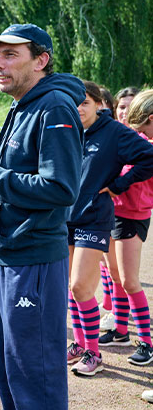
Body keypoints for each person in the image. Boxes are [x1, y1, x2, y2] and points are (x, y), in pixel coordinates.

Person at [0, 23, 82, 409]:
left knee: (34, 375)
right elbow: (17, 180)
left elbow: (60, 189)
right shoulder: (24, 104)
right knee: (11, 371)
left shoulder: (54, 107)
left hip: (33, 259)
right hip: (8, 256)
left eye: (10, 54)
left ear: (41, 60)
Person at [64, 80, 153, 377]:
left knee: (82, 285)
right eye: (74, 103)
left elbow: (148, 158)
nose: (78, 109)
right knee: (71, 290)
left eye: (84, 103)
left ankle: (95, 353)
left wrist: (118, 185)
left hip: (96, 217)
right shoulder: (68, 130)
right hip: (66, 218)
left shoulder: (114, 132)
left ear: (100, 105)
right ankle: (79, 343)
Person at [102, 90, 153, 368]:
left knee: (130, 280)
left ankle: (146, 341)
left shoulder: (143, 143)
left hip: (132, 214)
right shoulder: (130, 137)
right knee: (116, 277)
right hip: (116, 211)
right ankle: (121, 330)